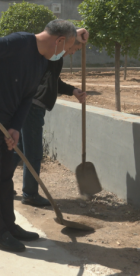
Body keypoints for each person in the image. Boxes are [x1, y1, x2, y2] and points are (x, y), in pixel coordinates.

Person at [0, 19, 78, 253]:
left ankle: (9, 226)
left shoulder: (41, 62)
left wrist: (16, 127)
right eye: (68, 47)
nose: (67, 52)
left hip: (7, 123)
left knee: (5, 177)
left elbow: (27, 97)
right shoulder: (20, 42)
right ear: (59, 41)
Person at [13, 28, 89, 207]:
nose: (72, 52)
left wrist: (73, 91)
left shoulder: (55, 58)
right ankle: (30, 194)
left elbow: (54, 82)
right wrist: (76, 33)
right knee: (33, 153)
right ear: (68, 42)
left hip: (31, 105)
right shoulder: (50, 55)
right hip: (33, 106)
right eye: (74, 49)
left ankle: (2, 183)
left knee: (20, 148)